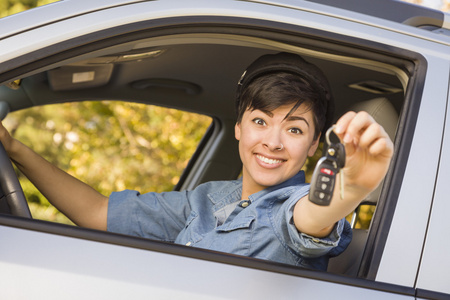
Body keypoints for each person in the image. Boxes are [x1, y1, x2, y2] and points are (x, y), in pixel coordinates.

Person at [0, 52, 393, 270]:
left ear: (312, 147)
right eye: (260, 121)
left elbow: (310, 220)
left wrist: (348, 190)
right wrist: (13, 148)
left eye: (294, 130)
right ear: (239, 128)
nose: (272, 142)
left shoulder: (289, 207)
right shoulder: (209, 199)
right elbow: (97, 211)